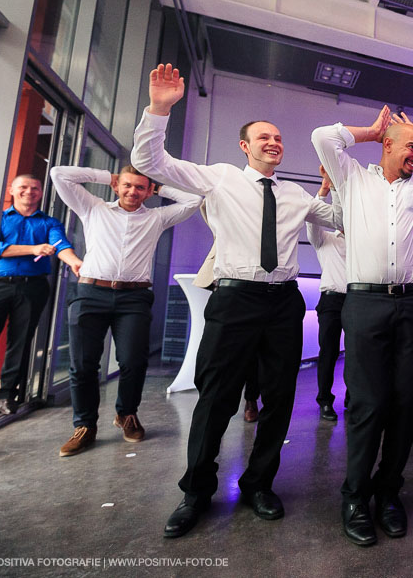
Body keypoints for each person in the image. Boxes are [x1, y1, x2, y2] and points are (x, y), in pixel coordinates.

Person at [131, 64, 338, 538]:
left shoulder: (297, 195)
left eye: (278, 138)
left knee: (280, 400)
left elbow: (349, 220)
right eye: (263, 137)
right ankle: (197, 492)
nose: (273, 142)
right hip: (234, 301)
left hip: (282, 304)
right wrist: (160, 108)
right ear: (245, 146)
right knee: (217, 399)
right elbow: (151, 163)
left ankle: (259, 484)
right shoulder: (219, 177)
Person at [312, 107, 413, 547]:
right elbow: (321, 137)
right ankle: (354, 496)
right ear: (386, 146)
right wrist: (374, 130)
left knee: (407, 403)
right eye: (411, 149)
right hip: (364, 303)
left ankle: (388, 492)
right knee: (368, 403)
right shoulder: (352, 178)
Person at [50, 164, 201, 455]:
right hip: (90, 293)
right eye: (127, 185)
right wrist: (106, 176)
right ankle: (85, 426)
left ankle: (126, 414)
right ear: (117, 186)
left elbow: (193, 201)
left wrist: (159, 187)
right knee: (83, 364)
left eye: (141, 187)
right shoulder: (93, 207)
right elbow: (59, 174)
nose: (133, 191)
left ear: (148, 192)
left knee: (133, 361)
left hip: (134, 298)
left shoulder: (157, 218)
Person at [0, 175, 82, 415]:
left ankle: (6, 395)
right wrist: (34, 249)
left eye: (35, 188)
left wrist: (76, 263)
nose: (30, 191)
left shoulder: (49, 223)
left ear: (40, 192)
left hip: (33, 287)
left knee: (21, 341)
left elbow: (60, 245)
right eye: (24, 187)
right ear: (12, 190)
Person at [192, 205, 260, 424]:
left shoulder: (266, 223)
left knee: (253, 352)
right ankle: (212, 405)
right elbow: (202, 204)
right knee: (217, 354)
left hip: (257, 291)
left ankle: (250, 399)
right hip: (224, 288)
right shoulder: (224, 215)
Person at [307, 166, 347, 422]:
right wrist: (325, 190)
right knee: (328, 353)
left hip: (356, 300)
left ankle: (354, 397)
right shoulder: (325, 240)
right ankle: (325, 400)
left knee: (356, 354)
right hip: (332, 300)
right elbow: (312, 220)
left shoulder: (361, 242)